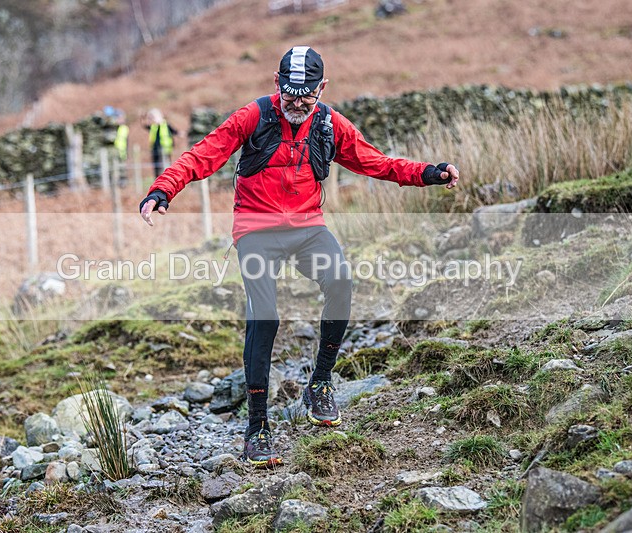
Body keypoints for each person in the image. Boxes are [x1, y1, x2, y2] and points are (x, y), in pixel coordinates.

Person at [139, 46, 460, 468]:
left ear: (321, 89)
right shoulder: (252, 117)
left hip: (307, 227)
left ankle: (320, 383)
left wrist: (427, 173)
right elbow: (202, 156)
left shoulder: (329, 123)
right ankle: (257, 427)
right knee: (266, 316)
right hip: (256, 229)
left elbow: (375, 162)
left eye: (306, 95)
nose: (296, 103)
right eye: (289, 94)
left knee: (341, 282)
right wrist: (162, 190)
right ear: (276, 84)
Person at [141, 108, 176, 176]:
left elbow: (174, 131)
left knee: (165, 165)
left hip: (165, 149)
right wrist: (143, 117)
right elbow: (144, 125)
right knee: (157, 167)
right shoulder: (153, 126)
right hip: (155, 149)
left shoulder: (166, 124)